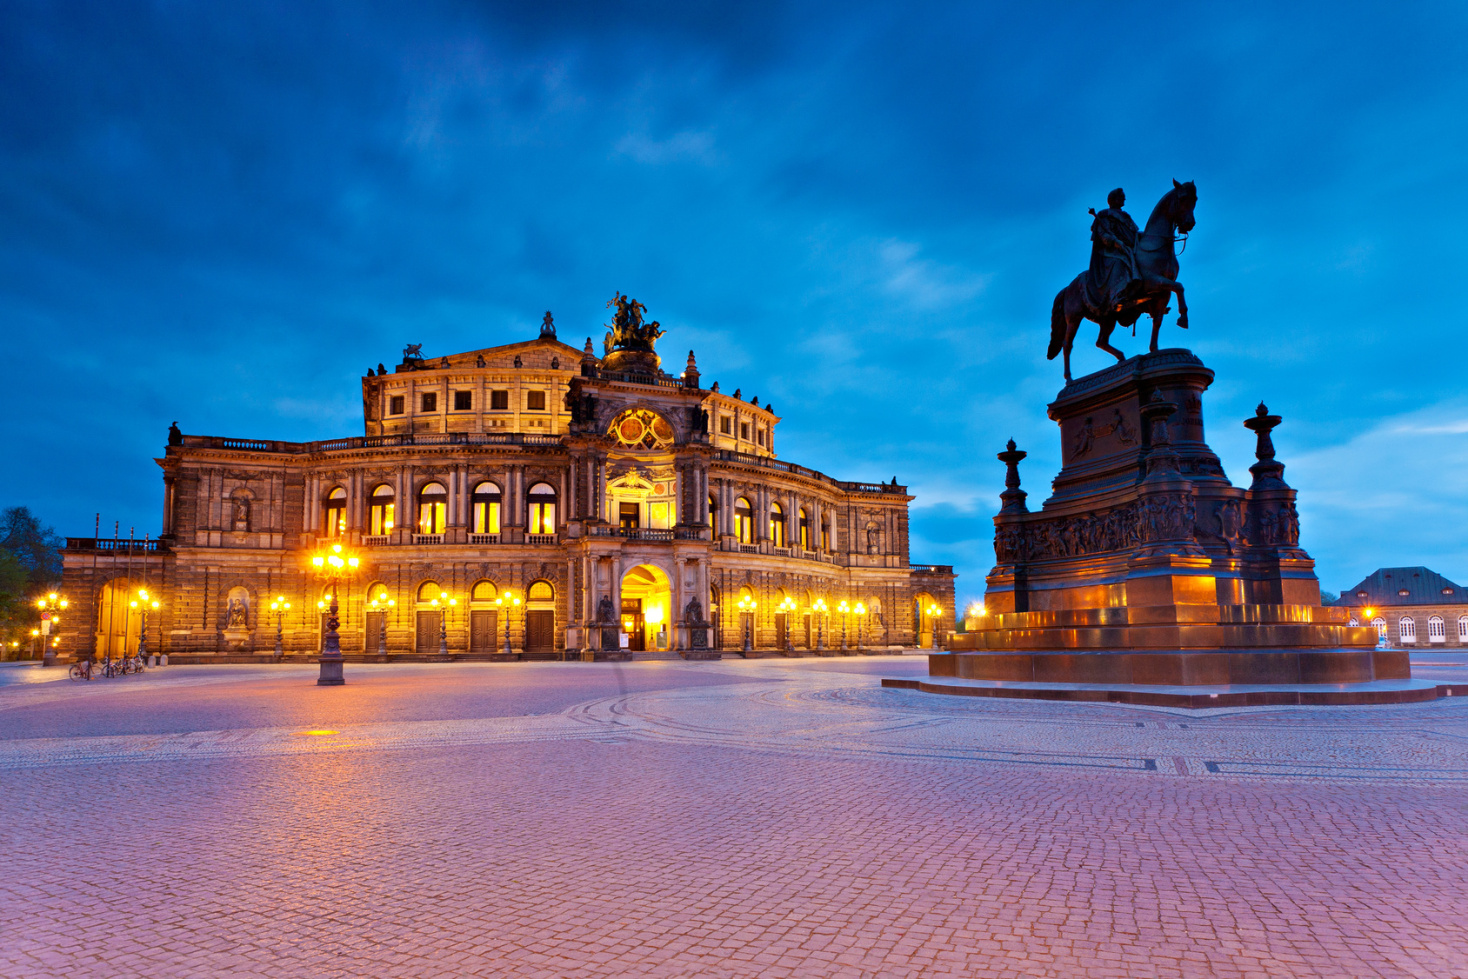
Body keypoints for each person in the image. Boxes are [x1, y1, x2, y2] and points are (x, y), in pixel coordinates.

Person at [1085, 188, 1141, 320]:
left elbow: (1134, 234)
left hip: (1128, 249)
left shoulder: (1126, 216)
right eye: (1122, 197)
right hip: (1110, 252)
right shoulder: (1104, 215)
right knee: (1119, 262)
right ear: (1114, 199)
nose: (1124, 199)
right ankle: (1117, 295)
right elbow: (1102, 234)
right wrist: (1115, 242)